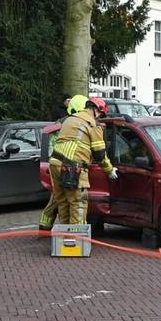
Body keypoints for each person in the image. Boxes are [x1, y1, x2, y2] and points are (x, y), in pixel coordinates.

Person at [46, 96, 116, 229]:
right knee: (78, 203)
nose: (99, 118)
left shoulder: (70, 119)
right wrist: (110, 170)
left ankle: (65, 238)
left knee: (63, 202)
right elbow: (99, 154)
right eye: (101, 114)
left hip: (54, 164)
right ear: (96, 110)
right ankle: (77, 241)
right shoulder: (93, 124)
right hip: (72, 167)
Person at [38, 93, 78, 232]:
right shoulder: (69, 122)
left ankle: (45, 225)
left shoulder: (62, 121)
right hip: (61, 163)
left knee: (57, 197)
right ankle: (48, 227)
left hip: (56, 161)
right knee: (58, 198)